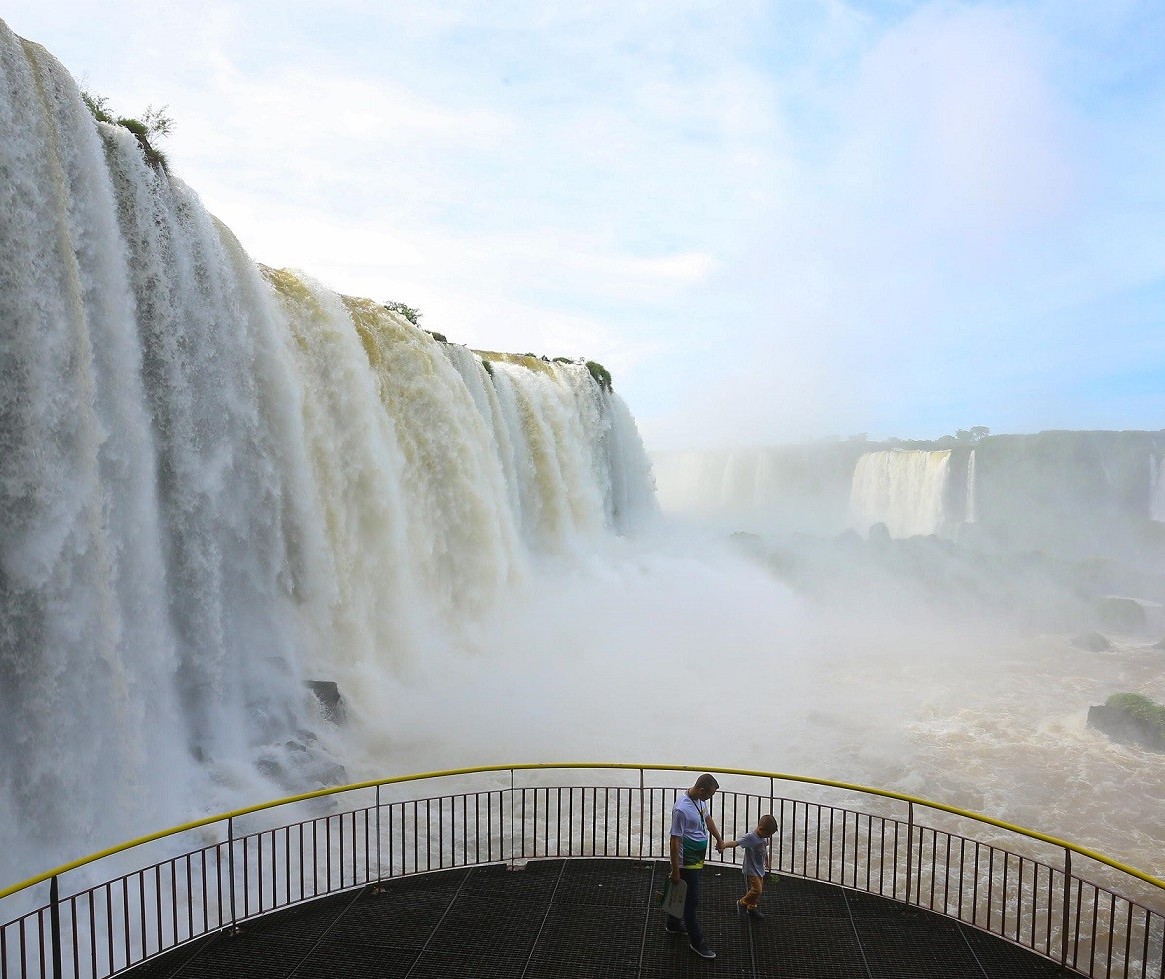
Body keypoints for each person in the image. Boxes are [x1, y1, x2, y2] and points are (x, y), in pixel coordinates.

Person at [667, 773, 724, 960]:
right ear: (701, 790)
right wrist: (676, 870)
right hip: (687, 862)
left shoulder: (699, 802)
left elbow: (707, 820)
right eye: (710, 795)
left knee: (682, 894)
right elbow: (674, 841)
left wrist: (719, 839)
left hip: (696, 859)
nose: (710, 798)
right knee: (692, 902)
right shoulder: (681, 809)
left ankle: (673, 924)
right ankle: (697, 942)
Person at [719, 813, 777, 919]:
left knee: (758, 891)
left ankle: (752, 907)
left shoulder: (764, 838)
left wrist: (767, 861)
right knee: (757, 890)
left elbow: (764, 850)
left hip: (760, 868)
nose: (768, 837)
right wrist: (724, 845)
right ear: (761, 828)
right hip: (751, 869)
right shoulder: (750, 837)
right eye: (768, 834)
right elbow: (736, 843)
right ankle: (742, 903)